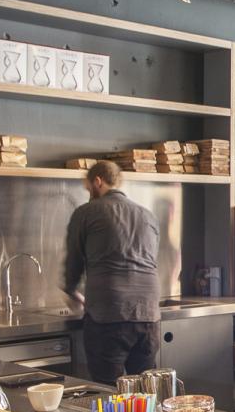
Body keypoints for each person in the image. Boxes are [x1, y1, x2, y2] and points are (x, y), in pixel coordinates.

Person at [63, 160, 163, 383]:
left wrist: (72, 291)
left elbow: (74, 262)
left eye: (88, 188)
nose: (88, 192)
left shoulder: (86, 212)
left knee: (107, 390)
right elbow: (150, 260)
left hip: (109, 313)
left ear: (98, 181)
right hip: (149, 314)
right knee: (145, 390)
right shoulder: (148, 215)